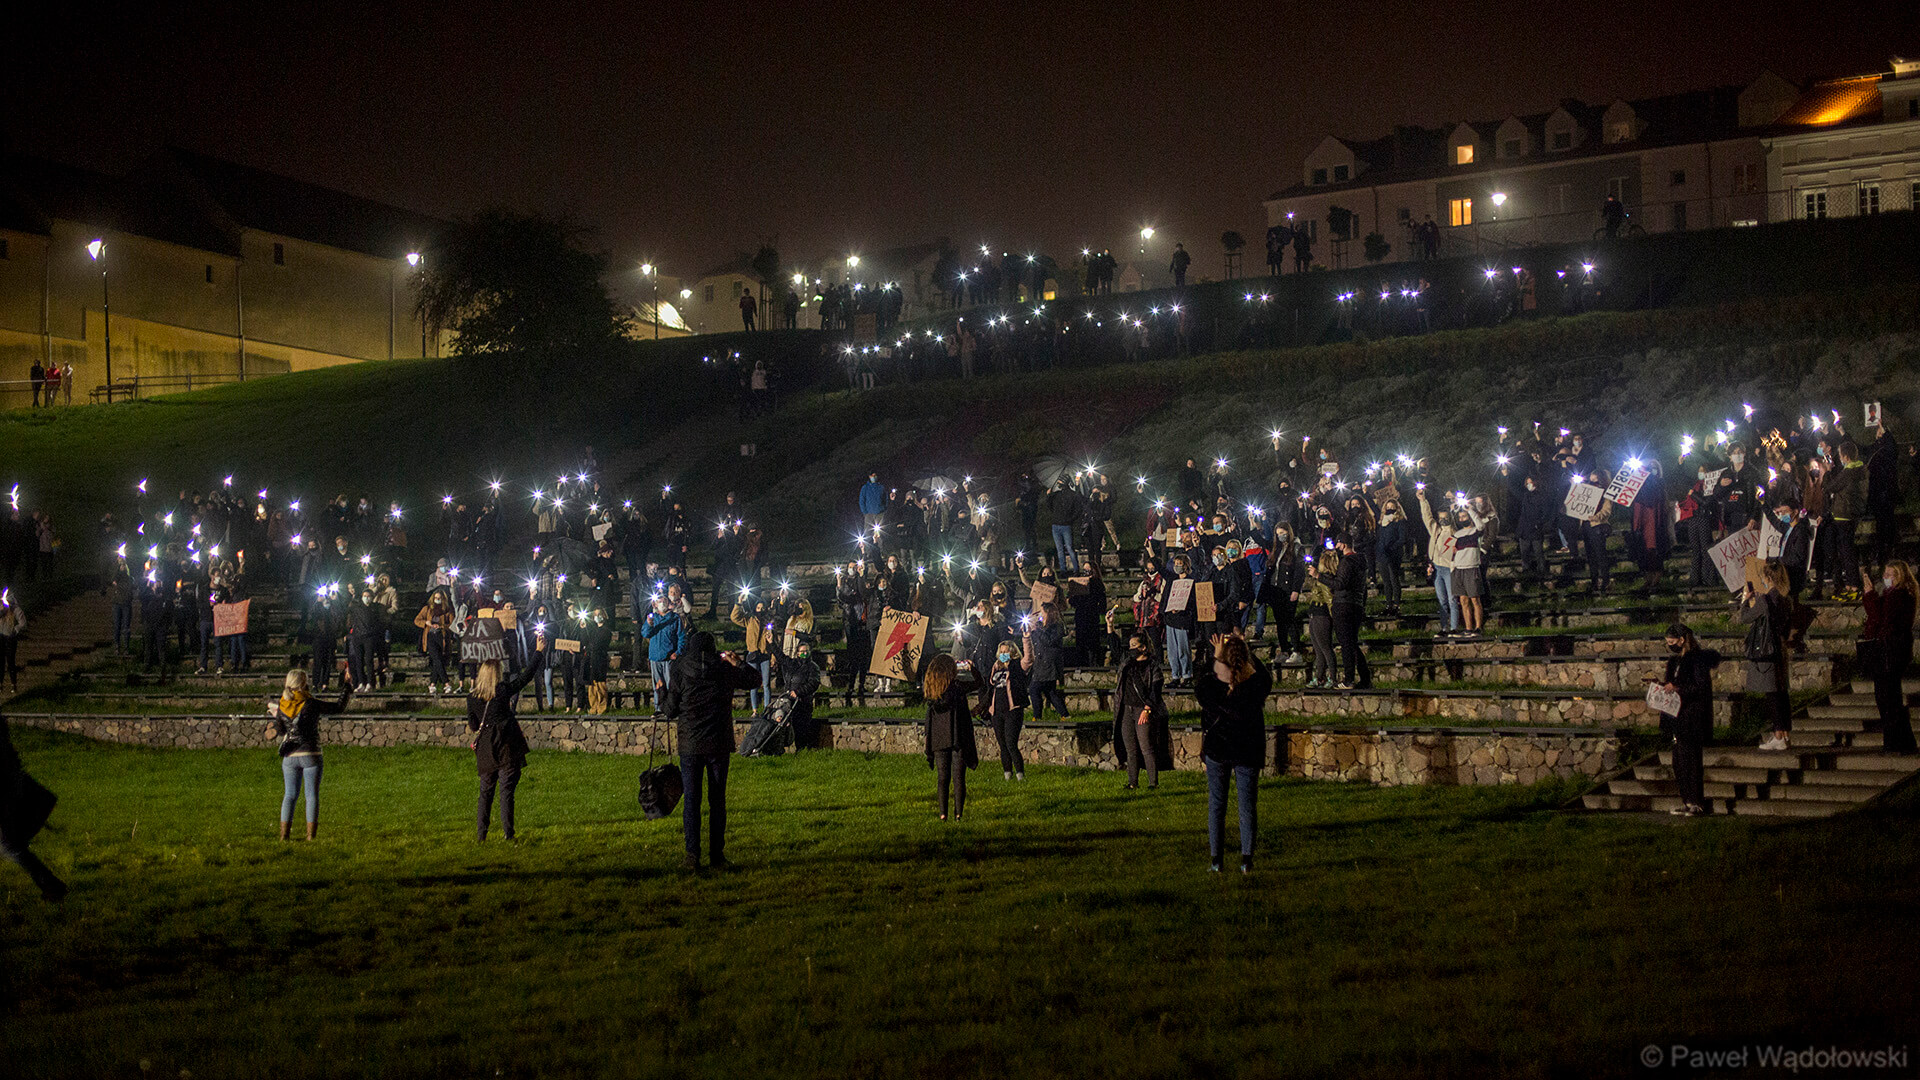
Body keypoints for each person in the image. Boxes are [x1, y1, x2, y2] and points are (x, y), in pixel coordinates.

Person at [665, 630, 760, 870]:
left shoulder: (680, 668)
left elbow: (670, 709)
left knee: (691, 801)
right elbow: (755, 680)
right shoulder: (725, 668)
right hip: (718, 742)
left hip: (690, 744)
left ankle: (692, 855)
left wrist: (662, 695)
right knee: (717, 800)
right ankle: (717, 855)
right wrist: (738, 662)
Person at [1194, 635, 1270, 873]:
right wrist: (1248, 654)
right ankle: (1246, 861)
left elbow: (1199, 681)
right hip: (1248, 749)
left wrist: (1215, 656)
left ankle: (1216, 861)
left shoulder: (1211, 686)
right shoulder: (1255, 685)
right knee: (1247, 806)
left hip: (1218, 749)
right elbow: (1265, 677)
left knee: (1217, 804)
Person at [467, 646, 546, 841]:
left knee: (485, 792)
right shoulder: (502, 691)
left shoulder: (472, 698)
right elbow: (525, 677)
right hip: (506, 746)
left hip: (486, 748)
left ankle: (481, 834)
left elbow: (473, 725)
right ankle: (508, 833)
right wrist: (538, 652)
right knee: (506, 792)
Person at [267, 669, 352, 841]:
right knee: (311, 795)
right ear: (303, 683)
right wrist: (346, 686)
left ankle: (284, 835)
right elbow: (337, 707)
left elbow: (282, 730)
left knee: (289, 795)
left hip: (289, 756)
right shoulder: (311, 703)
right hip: (310, 752)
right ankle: (310, 837)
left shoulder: (283, 704)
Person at [0, 712, 66, 901]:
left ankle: (51, 885)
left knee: (11, 844)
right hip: (10, 788)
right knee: (11, 844)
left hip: (7, 791)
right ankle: (51, 885)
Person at [1656, 624, 1719, 816]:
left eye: (1672, 642)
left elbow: (1700, 688)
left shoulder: (1696, 660)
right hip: (1676, 715)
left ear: (1682, 640)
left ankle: (1696, 802)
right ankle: (1686, 800)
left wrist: (1677, 688)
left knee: (1692, 761)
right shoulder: (1674, 661)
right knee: (1679, 762)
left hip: (1692, 716)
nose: (1670, 645)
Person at [1861, 560, 1919, 754]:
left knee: (1887, 698)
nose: (1885, 578)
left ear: (1900, 576)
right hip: (1892, 650)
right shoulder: (1893, 594)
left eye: (1890, 574)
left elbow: (1880, 617)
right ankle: (1902, 742)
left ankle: (1895, 742)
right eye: (1885, 574)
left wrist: (1869, 594)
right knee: (1889, 697)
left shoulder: (1899, 595)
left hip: (1890, 651)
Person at [1737, 565, 1792, 752]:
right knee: (1781, 692)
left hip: (1766, 649)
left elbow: (1744, 618)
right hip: (1779, 647)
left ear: (1768, 578)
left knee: (1772, 694)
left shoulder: (1766, 600)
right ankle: (1784, 733)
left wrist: (1746, 600)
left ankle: (1777, 734)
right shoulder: (1785, 599)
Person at [922, 654, 978, 821]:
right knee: (959, 776)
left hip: (938, 735)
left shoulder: (931, 690)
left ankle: (942, 813)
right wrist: (972, 668)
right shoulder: (957, 687)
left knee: (942, 777)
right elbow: (979, 683)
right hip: (957, 734)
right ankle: (958, 813)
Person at [1113, 632, 1172, 790]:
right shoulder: (1127, 664)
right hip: (1126, 708)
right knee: (1130, 748)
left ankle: (1153, 783)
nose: (1131, 649)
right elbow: (1116, 649)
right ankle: (1133, 782)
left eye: (1135, 646)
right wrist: (1110, 627)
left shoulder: (1152, 667)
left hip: (1142, 709)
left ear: (1143, 648)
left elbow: (1155, 689)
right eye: (1130, 646)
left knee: (1146, 746)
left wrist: (1147, 709)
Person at [985, 638, 1030, 780]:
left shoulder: (1018, 665)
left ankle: (1020, 774)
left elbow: (1029, 658)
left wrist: (1026, 639)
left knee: (1011, 743)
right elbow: (990, 685)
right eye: (1001, 651)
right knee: (1002, 744)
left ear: (1012, 652)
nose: (1003, 654)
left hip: (1012, 709)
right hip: (997, 710)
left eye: (1006, 651)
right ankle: (1007, 774)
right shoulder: (996, 667)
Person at [1021, 603, 1069, 720]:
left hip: (1049, 664)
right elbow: (1035, 638)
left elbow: (1048, 641)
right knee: (1050, 692)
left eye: (1042, 611)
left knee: (1034, 689)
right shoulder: (1040, 627)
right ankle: (1064, 714)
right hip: (1040, 662)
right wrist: (1022, 632)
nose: (1040, 614)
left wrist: (1037, 629)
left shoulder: (1057, 627)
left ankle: (1037, 715)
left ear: (1049, 612)